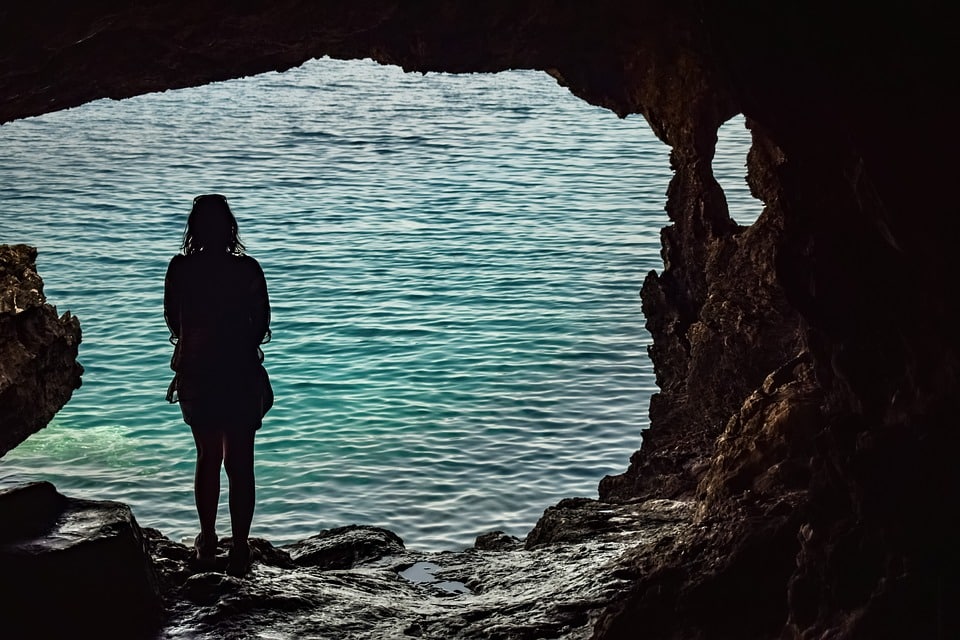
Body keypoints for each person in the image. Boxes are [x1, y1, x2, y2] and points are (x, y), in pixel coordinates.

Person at [164, 194, 273, 577]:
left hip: (198, 372)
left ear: (193, 229)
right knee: (240, 461)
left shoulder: (180, 269)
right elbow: (261, 323)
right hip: (239, 371)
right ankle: (240, 547)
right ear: (231, 228)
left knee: (208, 457)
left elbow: (172, 321)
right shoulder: (248, 270)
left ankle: (207, 542)